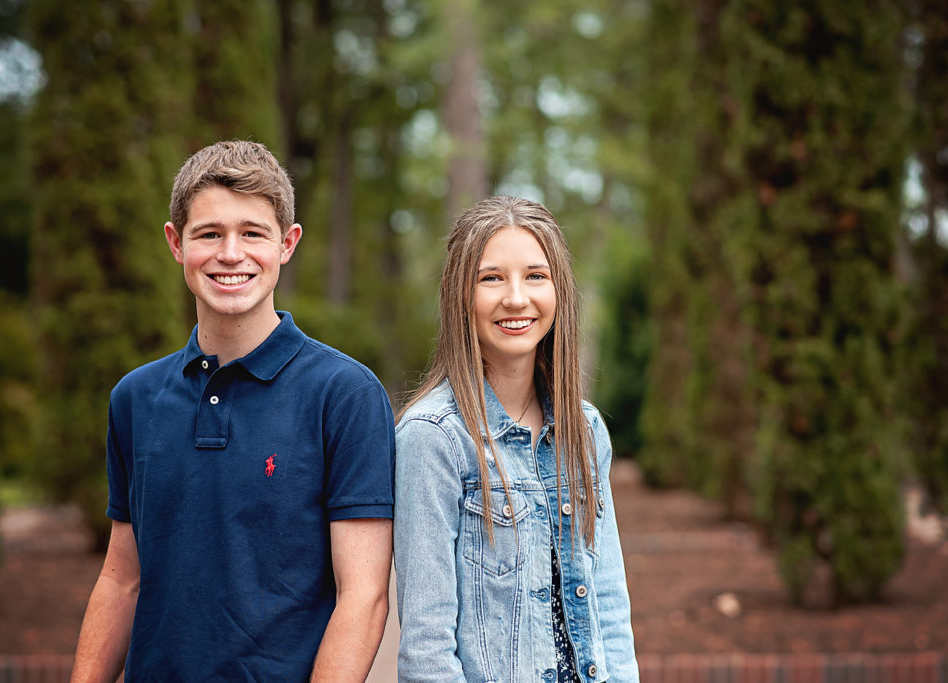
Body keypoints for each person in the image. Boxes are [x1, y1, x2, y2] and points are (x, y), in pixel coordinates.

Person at [70, 140, 395, 682]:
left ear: (287, 244)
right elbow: (121, 579)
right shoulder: (134, 397)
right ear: (176, 243)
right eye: (209, 234)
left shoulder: (344, 394)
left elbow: (364, 596)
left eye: (252, 233)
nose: (230, 253)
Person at [393, 196, 639, 682]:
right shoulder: (434, 438)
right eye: (491, 278)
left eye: (535, 275)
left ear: (558, 290)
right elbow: (426, 650)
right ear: (459, 294)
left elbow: (610, 609)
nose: (515, 298)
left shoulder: (584, 431)